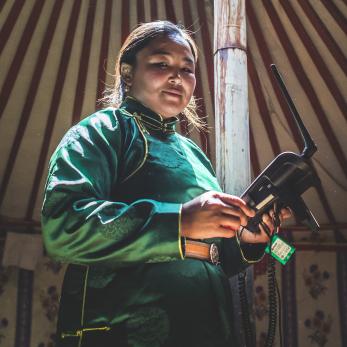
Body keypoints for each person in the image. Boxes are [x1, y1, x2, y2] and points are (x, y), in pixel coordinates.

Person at [41, 20, 291, 347]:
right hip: (124, 331)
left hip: (207, 329)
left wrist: (246, 241)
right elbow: (63, 224)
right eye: (161, 64)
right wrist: (179, 220)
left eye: (187, 69)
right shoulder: (100, 132)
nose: (176, 76)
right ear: (128, 73)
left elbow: (209, 255)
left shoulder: (194, 155)